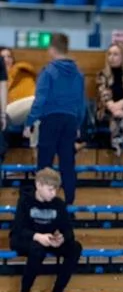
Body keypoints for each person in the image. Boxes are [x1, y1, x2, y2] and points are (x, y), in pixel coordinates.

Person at [24, 33, 85, 205]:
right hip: (71, 120)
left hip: (51, 119)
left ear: (51, 49)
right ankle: (69, 203)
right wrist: (78, 123)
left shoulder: (48, 71)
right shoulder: (78, 73)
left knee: (45, 162)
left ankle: (42, 202)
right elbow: (81, 103)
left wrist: (29, 122)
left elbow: (40, 99)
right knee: (67, 163)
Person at [10, 167, 82, 292]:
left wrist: (62, 238)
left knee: (75, 247)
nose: (53, 193)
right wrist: (37, 236)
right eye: (50, 189)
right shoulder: (25, 201)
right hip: (25, 240)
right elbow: (18, 229)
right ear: (38, 185)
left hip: (47, 240)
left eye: (56, 189)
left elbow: (68, 230)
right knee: (37, 249)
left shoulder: (58, 204)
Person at [0, 46, 37, 131]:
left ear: (13, 59)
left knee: (38, 102)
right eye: (2, 57)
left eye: (9, 57)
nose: (6, 60)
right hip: (5, 112)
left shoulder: (22, 75)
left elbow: (31, 94)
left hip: (20, 112)